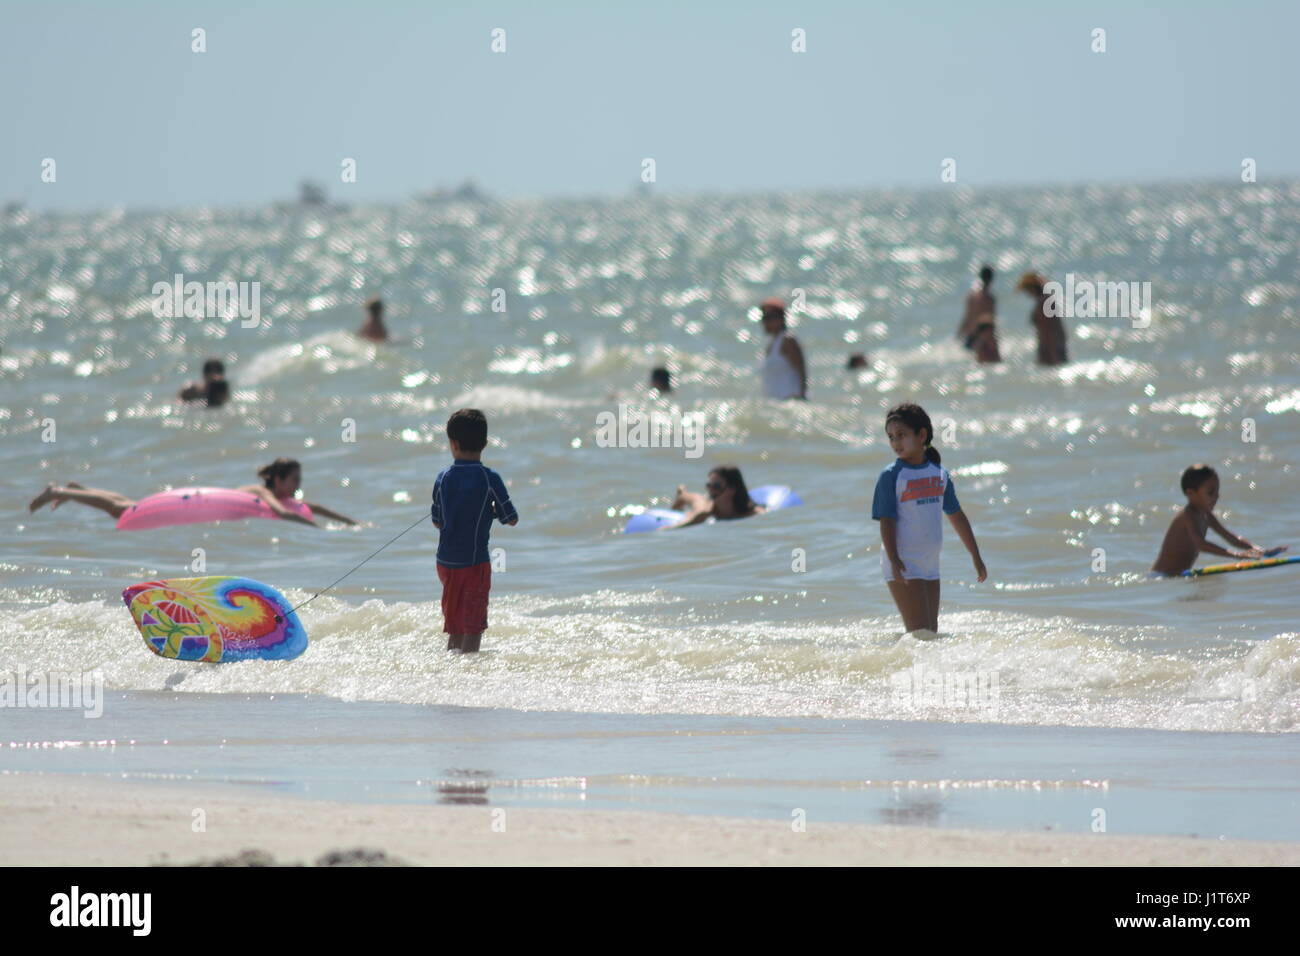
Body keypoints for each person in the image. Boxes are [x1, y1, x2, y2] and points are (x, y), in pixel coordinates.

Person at [871, 403, 987, 634]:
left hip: (930, 563)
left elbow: (956, 516)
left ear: (922, 435)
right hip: (904, 561)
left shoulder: (939, 473)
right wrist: (894, 559)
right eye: (891, 437)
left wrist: (975, 555)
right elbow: (887, 521)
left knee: (929, 633)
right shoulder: (892, 476)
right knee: (920, 634)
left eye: (902, 435)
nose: (896, 443)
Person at [27, 457, 357, 527]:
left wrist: (351, 523)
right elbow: (283, 512)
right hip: (188, 506)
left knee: (126, 503)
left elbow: (316, 506)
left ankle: (77, 491)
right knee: (124, 510)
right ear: (279, 480)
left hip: (187, 505)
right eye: (294, 479)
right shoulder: (261, 491)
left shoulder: (285, 497)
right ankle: (59, 490)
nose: (298, 486)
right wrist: (315, 530)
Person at [430, 409, 518, 653]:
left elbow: (437, 521)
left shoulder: (442, 478)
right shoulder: (490, 478)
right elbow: (511, 519)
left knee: (455, 624)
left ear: (453, 444)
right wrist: (491, 510)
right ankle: (468, 675)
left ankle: (451, 670)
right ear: (485, 443)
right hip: (474, 563)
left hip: (445, 563)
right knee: (472, 627)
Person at [1150, 465, 1285, 576]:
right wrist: (1238, 555)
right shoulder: (1188, 515)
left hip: (1178, 576)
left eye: (1217, 491)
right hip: (1161, 576)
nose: (1216, 496)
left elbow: (1231, 538)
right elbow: (1201, 544)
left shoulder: (1206, 515)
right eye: (1210, 492)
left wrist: (1260, 550)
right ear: (1191, 493)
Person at [666, 465, 765, 529]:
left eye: (716, 486)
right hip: (703, 504)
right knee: (686, 497)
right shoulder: (705, 512)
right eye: (709, 486)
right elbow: (678, 527)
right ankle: (682, 491)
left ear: (732, 489)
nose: (710, 490)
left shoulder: (753, 512)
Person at [758, 298, 806, 400]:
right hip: (776, 406)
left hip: (790, 401)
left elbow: (802, 371)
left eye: (768, 318)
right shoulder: (772, 344)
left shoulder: (788, 340)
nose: (764, 322)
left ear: (780, 319)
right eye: (763, 318)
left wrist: (802, 397)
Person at [1017, 272, 1067, 365]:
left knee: (1049, 371)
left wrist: (1052, 354)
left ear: (1032, 288)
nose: (1027, 293)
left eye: (1027, 290)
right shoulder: (1047, 300)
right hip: (1055, 344)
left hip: (1050, 347)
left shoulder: (1043, 303)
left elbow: (1048, 330)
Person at [957, 266, 1001, 364]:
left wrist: (959, 333)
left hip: (971, 334)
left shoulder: (972, 296)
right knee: (990, 363)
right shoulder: (990, 298)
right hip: (985, 335)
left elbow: (967, 317)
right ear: (991, 279)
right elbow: (991, 320)